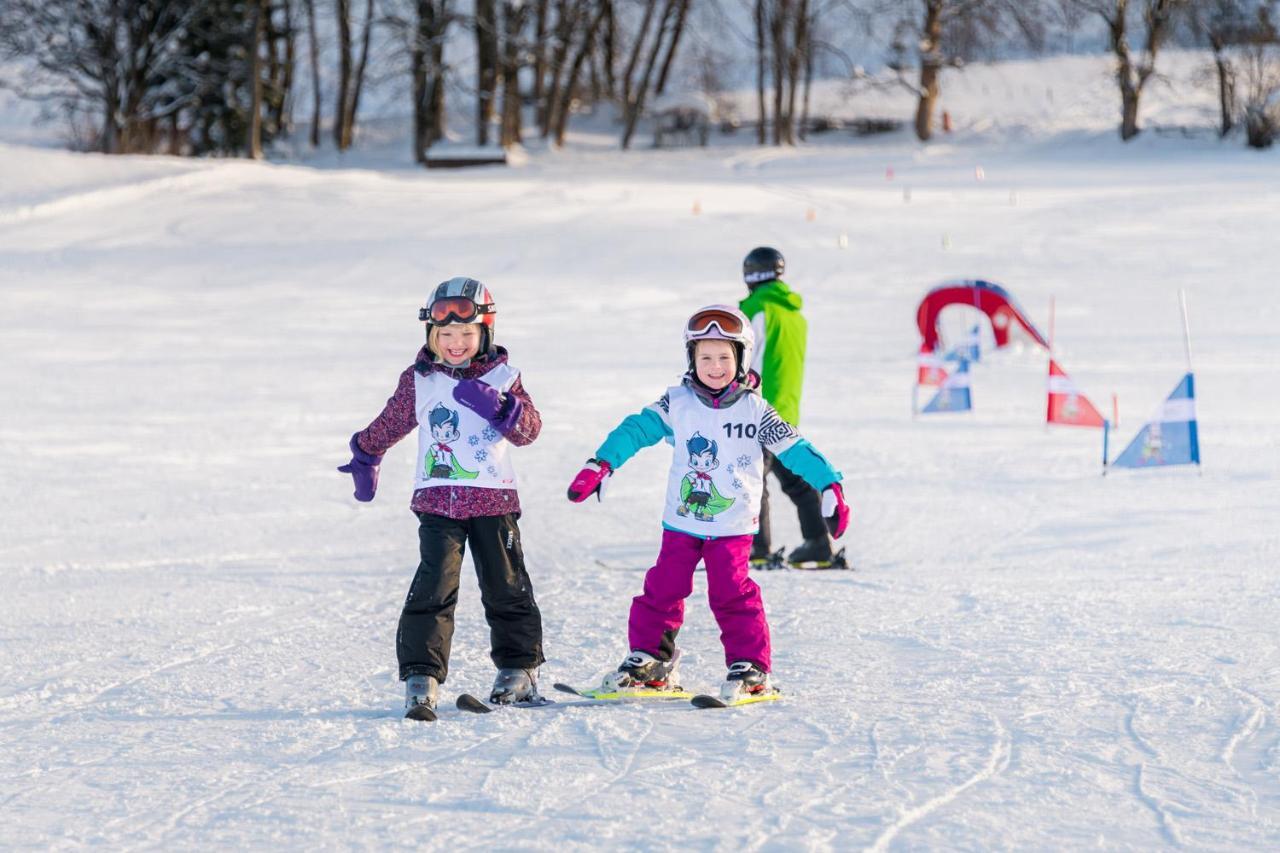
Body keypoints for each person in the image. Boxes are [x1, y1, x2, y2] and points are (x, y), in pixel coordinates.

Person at [566, 305, 849, 702]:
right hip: (682, 521)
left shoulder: (756, 409)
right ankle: (652, 661)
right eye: (705, 358)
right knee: (662, 587)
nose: (714, 366)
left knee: (731, 591)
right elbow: (637, 429)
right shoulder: (677, 402)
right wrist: (602, 462)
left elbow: (796, 449)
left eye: (723, 357)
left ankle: (751, 667)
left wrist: (829, 485)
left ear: (741, 359)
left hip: (732, 524)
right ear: (691, 359)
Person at [338, 277, 545, 718]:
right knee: (434, 587)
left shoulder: (504, 377)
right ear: (431, 334)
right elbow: (390, 421)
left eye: (466, 334)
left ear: (484, 333)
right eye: (445, 334)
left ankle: (519, 668)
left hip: (494, 501)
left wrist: (502, 407)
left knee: (506, 586)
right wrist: (366, 451)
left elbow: (529, 432)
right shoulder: (420, 380)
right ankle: (421, 674)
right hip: (437, 503)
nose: (455, 343)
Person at [739, 246, 834, 568]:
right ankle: (818, 543)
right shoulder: (795, 315)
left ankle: (758, 548)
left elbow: (742, 359)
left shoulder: (756, 309)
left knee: (754, 478)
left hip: (757, 408)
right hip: (787, 408)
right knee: (795, 478)